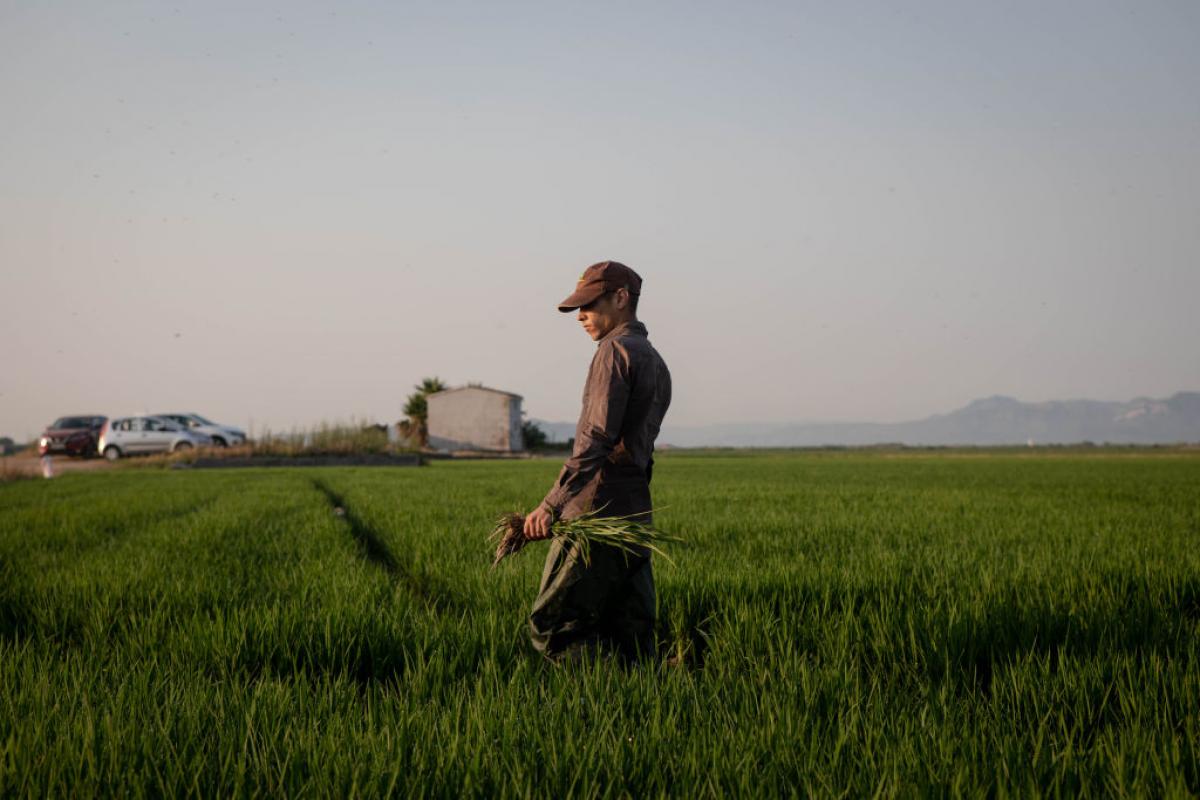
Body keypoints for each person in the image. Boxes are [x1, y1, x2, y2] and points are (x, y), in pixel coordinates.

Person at [523, 260, 672, 662]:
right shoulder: (654, 359)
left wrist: (551, 504)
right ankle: (638, 696)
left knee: (553, 628)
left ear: (621, 298)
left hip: (595, 516)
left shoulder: (614, 351)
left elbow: (596, 438)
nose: (581, 315)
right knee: (631, 640)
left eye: (589, 304)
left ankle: (593, 695)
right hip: (634, 518)